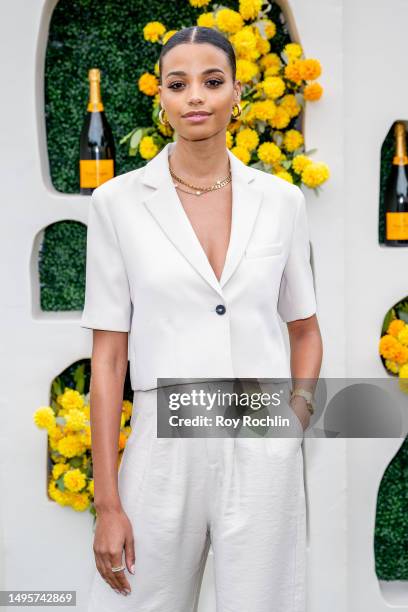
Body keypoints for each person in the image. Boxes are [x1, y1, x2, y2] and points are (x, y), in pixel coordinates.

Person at [81, 25, 323, 612]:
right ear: (160, 98)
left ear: (236, 93)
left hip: (261, 439)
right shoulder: (117, 203)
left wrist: (295, 415)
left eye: (212, 82)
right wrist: (109, 503)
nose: (196, 96)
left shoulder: (283, 201)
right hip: (163, 446)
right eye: (178, 83)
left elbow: (305, 328)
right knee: (138, 602)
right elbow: (109, 359)